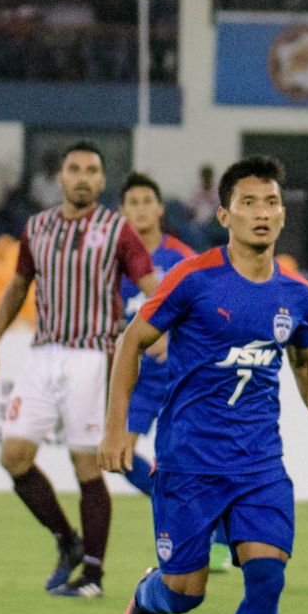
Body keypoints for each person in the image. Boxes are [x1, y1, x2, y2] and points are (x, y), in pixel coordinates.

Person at [101, 155, 308, 614]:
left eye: (271, 203)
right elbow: (133, 341)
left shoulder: (297, 294)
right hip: (190, 462)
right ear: (225, 215)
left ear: (283, 215)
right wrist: (114, 427)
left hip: (259, 463)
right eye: (248, 203)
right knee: (184, 594)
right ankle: (148, 599)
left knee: (266, 578)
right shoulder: (192, 280)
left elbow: (306, 364)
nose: (261, 213)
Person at [0, 141, 156, 598]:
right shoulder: (37, 228)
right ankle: (67, 540)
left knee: (87, 464)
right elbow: (18, 287)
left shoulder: (117, 230)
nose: (81, 177)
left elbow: (151, 286)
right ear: (60, 177)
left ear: (100, 180)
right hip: (43, 354)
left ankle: (93, 576)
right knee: (13, 456)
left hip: (92, 356)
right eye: (73, 168)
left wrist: (167, 330)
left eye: (91, 170)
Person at [110, 173, 230, 568]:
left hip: (181, 375)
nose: (141, 208)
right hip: (140, 381)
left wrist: (173, 338)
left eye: (148, 200)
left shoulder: (181, 258)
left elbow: (206, 312)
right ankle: (196, 522)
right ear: (123, 211)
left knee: (197, 460)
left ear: (160, 209)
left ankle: (217, 536)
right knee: (121, 457)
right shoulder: (115, 263)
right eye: (133, 202)